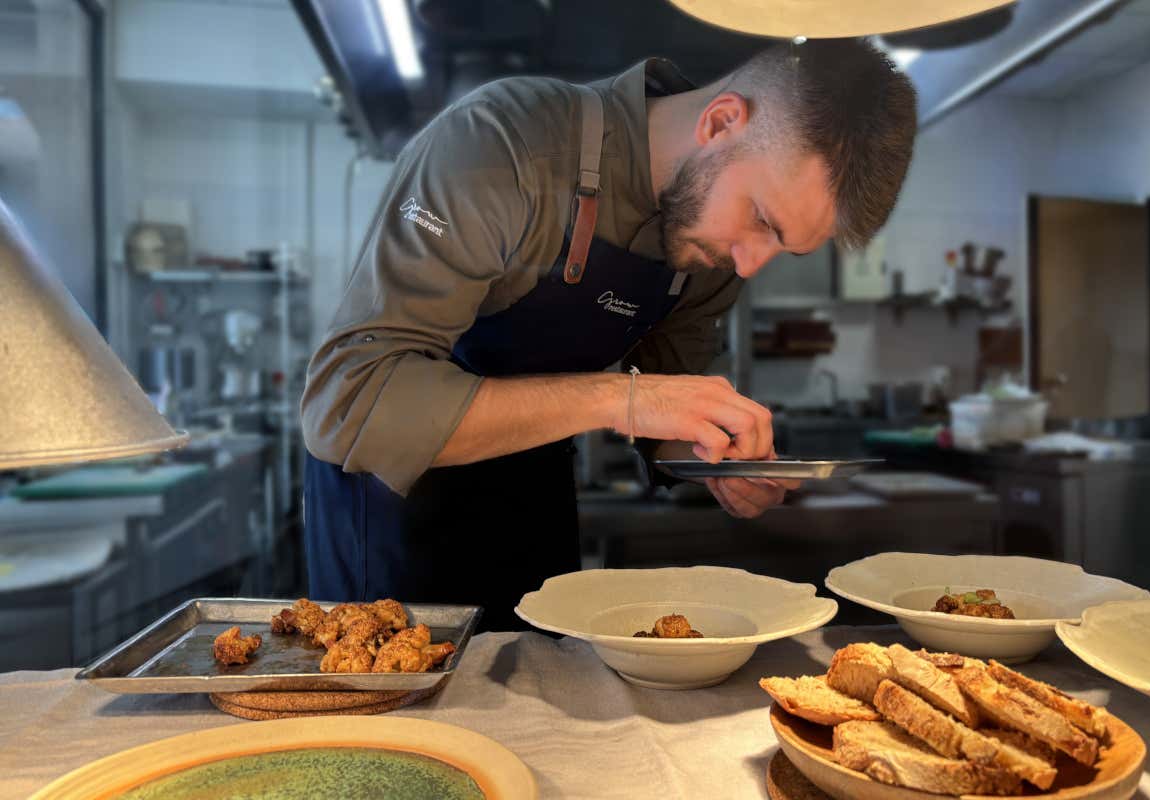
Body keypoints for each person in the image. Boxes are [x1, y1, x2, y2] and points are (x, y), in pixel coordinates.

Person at [301, 38, 917, 630]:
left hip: (531, 502)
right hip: (391, 515)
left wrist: (716, 460)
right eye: (761, 219)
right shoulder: (501, 144)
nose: (750, 263)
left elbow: (666, 411)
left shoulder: (714, 254)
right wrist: (619, 397)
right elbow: (348, 404)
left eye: (783, 247)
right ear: (721, 121)